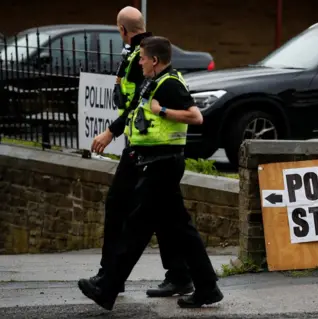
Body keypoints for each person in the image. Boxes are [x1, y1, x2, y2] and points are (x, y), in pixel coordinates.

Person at [77, 35, 224, 311]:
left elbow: (196, 116)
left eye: (143, 57)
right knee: (181, 229)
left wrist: (163, 110)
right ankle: (207, 287)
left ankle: (106, 288)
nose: (140, 61)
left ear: (154, 60)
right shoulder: (153, 82)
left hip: (163, 164)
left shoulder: (169, 84)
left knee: (137, 226)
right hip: (153, 161)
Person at [89, 6, 193, 297]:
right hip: (146, 147)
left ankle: (109, 276)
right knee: (168, 214)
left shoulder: (141, 57)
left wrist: (111, 131)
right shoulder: (139, 53)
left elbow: (137, 103)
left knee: (121, 206)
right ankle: (182, 276)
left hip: (146, 149)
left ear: (122, 30)